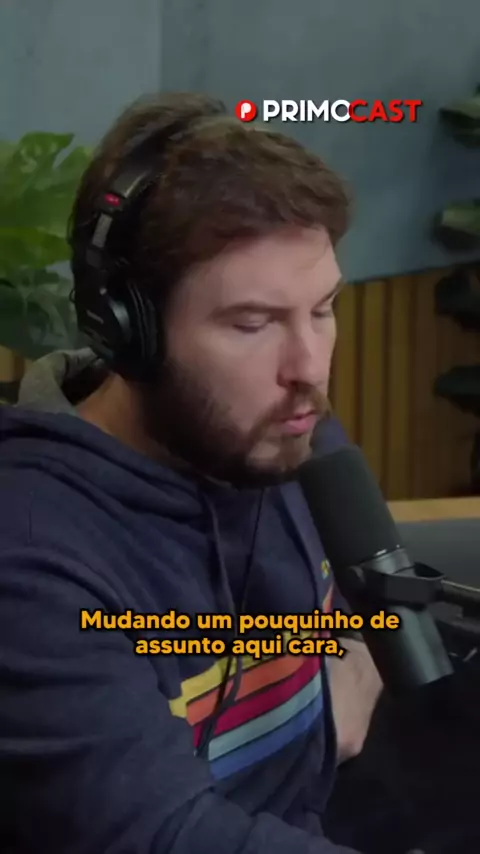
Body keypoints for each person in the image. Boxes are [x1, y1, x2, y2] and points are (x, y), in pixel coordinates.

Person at [0, 92, 383, 853]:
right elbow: (171, 837)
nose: (309, 368)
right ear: (129, 333)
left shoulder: (276, 427)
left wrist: (351, 648)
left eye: (323, 309)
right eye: (253, 323)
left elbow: (373, 602)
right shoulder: (30, 554)